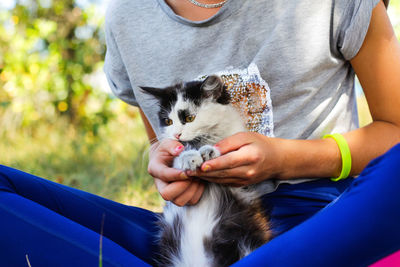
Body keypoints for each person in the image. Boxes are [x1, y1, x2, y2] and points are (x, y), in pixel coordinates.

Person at [0, 0, 399, 266]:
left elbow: (395, 130)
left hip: (316, 223)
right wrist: (165, 166)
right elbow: (161, 143)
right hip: (191, 233)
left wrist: (284, 159)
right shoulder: (128, 18)